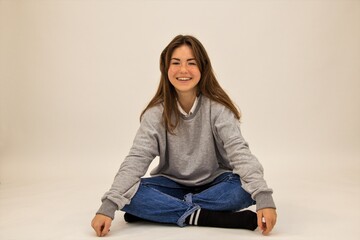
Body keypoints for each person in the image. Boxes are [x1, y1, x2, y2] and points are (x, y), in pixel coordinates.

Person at [91, 34, 277, 237]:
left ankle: (162, 212)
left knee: (244, 189)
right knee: (128, 193)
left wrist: (263, 197)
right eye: (176, 63)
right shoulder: (155, 113)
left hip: (217, 182)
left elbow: (239, 152)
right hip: (171, 184)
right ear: (165, 68)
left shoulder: (218, 108)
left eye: (191, 63)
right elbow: (137, 158)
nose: (183, 70)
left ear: (203, 68)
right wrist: (108, 206)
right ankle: (203, 216)